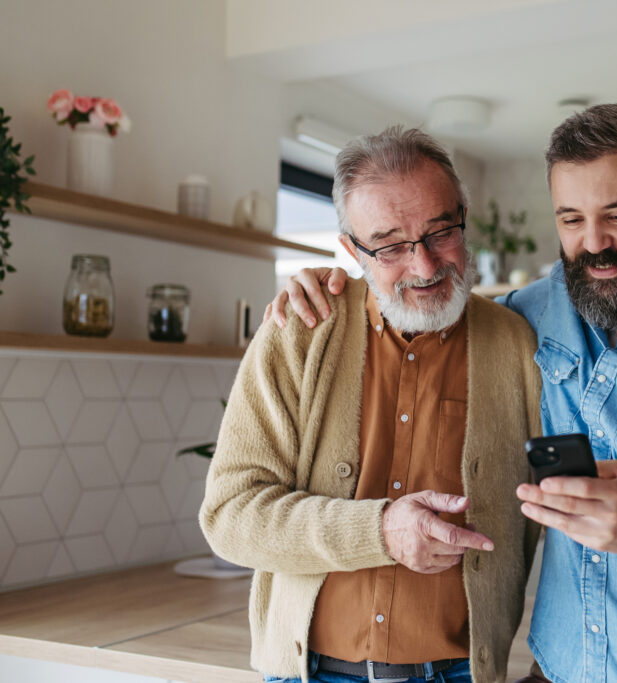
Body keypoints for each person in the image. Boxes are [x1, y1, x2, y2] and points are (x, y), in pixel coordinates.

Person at [267, 104, 617, 682]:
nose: (594, 242)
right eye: (571, 219)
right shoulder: (528, 319)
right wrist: (324, 288)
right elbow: (422, 296)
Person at [201, 126, 542, 683]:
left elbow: (568, 520)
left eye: (441, 232)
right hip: (309, 672)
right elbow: (229, 516)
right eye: (389, 246)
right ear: (352, 251)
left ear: (464, 216)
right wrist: (379, 531)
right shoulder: (298, 332)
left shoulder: (517, 344)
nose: (426, 266)